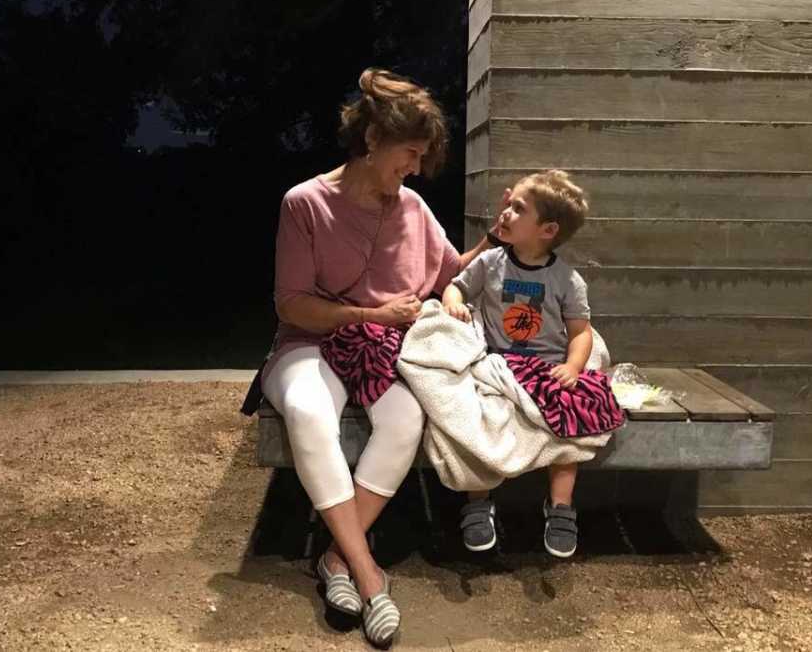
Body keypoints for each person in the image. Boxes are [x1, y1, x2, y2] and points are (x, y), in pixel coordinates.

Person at [251, 68, 497, 647]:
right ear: (371, 141)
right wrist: (370, 315)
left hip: (382, 349)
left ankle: (336, 559)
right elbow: (292, 305)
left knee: (406, 417)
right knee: (310, 411)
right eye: (409, 154)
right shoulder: (305, 203)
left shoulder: (412, 207)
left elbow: (453, 272)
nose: (412, 168)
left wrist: (502, 238)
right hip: (310, 344)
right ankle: (370, 574)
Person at [442, 169, 623, 558]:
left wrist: (574, 368)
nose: (505, 213)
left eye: (518, 208)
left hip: (546, 367)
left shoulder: (567, 280)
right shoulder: (490, 262)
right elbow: (456, 285)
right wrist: (454, 301)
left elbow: (581, 333)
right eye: (508, 205)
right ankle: (478, 501)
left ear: (547, 230)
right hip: (498, 365)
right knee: (480, 417)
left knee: (570, 417)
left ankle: (560, 506)